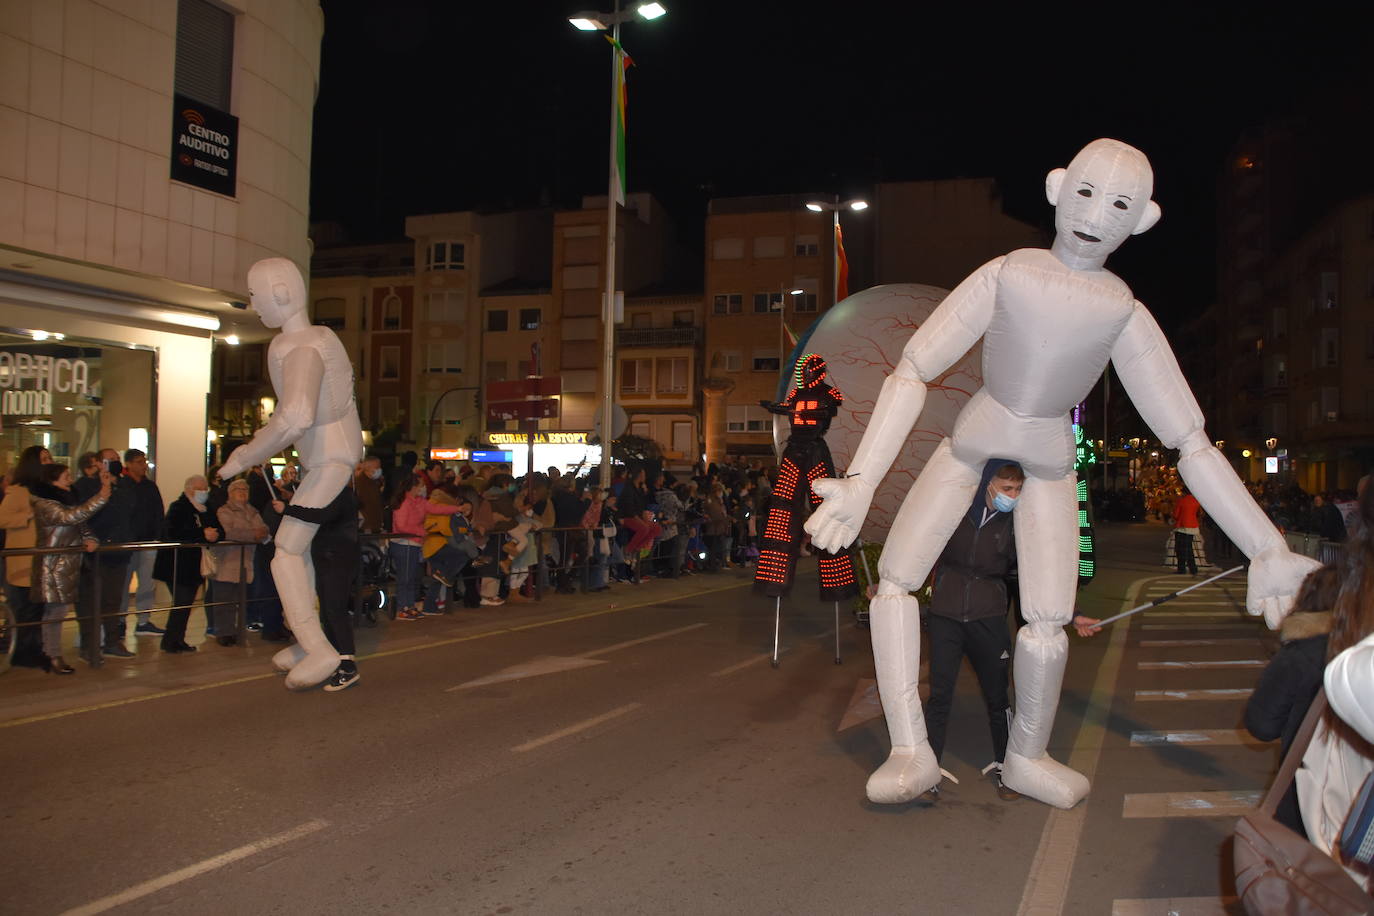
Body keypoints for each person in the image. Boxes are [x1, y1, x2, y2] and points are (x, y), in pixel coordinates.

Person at [805, 138, 1318, 809]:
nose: (1097, 213)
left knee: (1047, 621)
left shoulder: (1122, 312)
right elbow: (912, 368)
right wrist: (864, 480)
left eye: (1120, 204)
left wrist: (1265, 545)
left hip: (1047, 457)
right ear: (1056, 189)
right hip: (972, 440)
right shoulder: (1009, 273)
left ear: (1142, 221)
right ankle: (911, 750)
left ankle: (1027, 754)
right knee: (897, 583)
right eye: (1085, 192)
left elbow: (1189, 440)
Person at [922, 461, 1025, 802]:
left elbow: (1038, 571)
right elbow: (923, 550)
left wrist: (1073, 612)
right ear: (987, 484)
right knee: (939, 697)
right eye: (1006, 487)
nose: (1013, 495)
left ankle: (1008, 770)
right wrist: (889, 583)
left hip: (989, 617)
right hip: (946, 616)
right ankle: (927, 770)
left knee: (999, 699)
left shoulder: (1016, 524)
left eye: (1017, 489)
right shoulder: (957, 511)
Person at [1243, 564, 1340, 838]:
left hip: (1307, 793)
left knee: (1307, 870)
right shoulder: (1361, 650)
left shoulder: (1299, 655)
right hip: (1359, 795)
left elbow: (1262, 726)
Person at [754, 353, 858, 601]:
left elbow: (831, 405)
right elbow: (787, 406)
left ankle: (837, 582)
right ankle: (774, 578)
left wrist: (814, 409)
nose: (807, 375)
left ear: (817, 371)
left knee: (826, 510)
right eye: (805, 372)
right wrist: (773, 407)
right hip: (795, 450)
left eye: (810, 371)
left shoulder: (828, 393)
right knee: (782, 510)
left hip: (813, 451)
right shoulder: (796, 395)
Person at [280, 483, 362, 691]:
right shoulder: (333, 490)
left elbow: (322, 515)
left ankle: (348, 665)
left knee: (335, 611)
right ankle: (337, 658)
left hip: (338, 560)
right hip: (328, 560)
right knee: (327, 611)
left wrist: (288, 508)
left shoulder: (341, 493)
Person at [31, 463, 111, 673]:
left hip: (68, 563)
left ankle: (52, 653)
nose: (70, 479)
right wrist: (102, 495)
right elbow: (71, 517)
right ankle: (52, 654)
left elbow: (80, 525)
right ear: (53, 479)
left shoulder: (65, 501)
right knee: (54, 612)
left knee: (59, 610)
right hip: (53, 564)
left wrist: (90, 538)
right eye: (66, 475)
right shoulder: (45, 504)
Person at [75, 446, 136, 660]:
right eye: (110, 460)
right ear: (99, 463)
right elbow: (85, 515)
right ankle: (88, 645)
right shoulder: (85, 485)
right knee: (90, 601)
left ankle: (112, 640)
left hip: (118, 552)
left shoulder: (125, 485)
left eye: (117, 459)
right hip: (95, 553)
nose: (115, 463)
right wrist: (103, 485)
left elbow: (130, 510)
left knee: (113, 600)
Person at [152, 475, 220, 653]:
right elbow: (172, 532)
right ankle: (171, 641)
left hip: (194, 566)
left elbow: (218, 529)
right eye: (200, 489)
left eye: (206, 489)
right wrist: (201, 533)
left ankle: (177, 639)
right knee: (181, 603)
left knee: (185, 604)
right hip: (176, 565)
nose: (204, 492)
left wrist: (215, 535)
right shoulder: (179, 507)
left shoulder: (207, 509)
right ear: (189, 489)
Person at [0, 446, 52, 668]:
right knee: (23, 607)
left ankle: (33, 649)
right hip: (23, 559)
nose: (48, 462)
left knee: (37, 607)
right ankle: (20, 651)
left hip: (43, 557)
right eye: (44, 459)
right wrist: (28, 515)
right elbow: (3, 519)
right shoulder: (18, 491)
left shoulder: (47, 491)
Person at [389, 475, 461, 619]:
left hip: (414, 543)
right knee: (405, 578)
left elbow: (436, 508)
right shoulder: (404, 503)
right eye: (421, 485)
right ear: (413, 487)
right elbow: (401, 526)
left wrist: (457, 508)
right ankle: (403, 608)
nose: (424, 488)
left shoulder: (419, 502)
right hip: (404, 544)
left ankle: (409, 606)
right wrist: (421, 531)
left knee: (411, 577)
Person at [209, 479, 269, 646]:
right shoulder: (224, 510)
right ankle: (224, 632)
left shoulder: (252, 511)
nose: (242, 492)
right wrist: (252, 534)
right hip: (227, 560)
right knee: (224, 599)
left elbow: (263, 529)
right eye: (238, 489)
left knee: (240, 599)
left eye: (245, 489)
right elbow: (229, 532)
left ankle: (237, 630)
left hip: (246, 561)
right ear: (230, 493)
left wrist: (258, 533)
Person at [119, 448, 167, 637]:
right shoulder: (122, 485)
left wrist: (157, 535)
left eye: (144, 461)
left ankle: (143, 620)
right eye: (139, 462)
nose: (143, 465)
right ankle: (120, 620)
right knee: (123, 584)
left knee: (147, 583)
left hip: (147, 541)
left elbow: (158, 512)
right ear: (129, 464)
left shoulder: (149, 486)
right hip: (128, 543)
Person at [1171, 485, 1201, 576]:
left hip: (1182, 526)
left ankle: (1181, 568)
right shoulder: (1196, 501)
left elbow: (1176, 515)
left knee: (1180, 549)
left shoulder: (1182, 501)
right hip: (1192, 526)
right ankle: (1193, 568)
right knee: (1189, 548)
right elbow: (1199, 514)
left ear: (1184, 492)